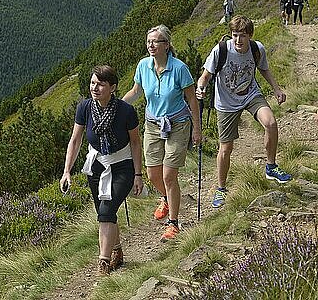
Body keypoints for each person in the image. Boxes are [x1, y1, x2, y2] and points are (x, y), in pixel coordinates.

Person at [196, 15, 292, 209]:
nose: (238, 40)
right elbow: (205, 76)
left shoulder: (257, 49)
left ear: (250, 36)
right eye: (235, 35)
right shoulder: (221, 50)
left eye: (243, 36)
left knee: (271, 123)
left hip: (250, 94)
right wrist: (201, 87)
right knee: (226, 148)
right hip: (226, 102)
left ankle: (271, 167)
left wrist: (276, 89)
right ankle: (221, 188)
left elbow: (263, 69)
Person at [60, 65, 143, 276]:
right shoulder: (85, 108)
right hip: (96, 165)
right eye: (92, 83)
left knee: (106, 211)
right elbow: (76, 140)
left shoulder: (126, 111)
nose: (95, 88)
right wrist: (67, 171)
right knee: (104, 213)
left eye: (100, 84)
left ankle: (103, 263)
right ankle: (117, 251)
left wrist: (138, 174)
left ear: (113, 87)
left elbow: (135, 142)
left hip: (122, 165)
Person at [122, 25, 202, 241]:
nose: (151, 45)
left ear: (166, 45)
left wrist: (197, 128)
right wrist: (118, 106)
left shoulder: (180, 69)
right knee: (152, 173)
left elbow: (192, 99)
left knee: (168, 175)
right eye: (149, 41)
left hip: (177, 124)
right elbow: (137, 91)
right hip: (153, 124)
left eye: (156, 41)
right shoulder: (143, 66)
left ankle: (173, 223)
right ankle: (166, 198)